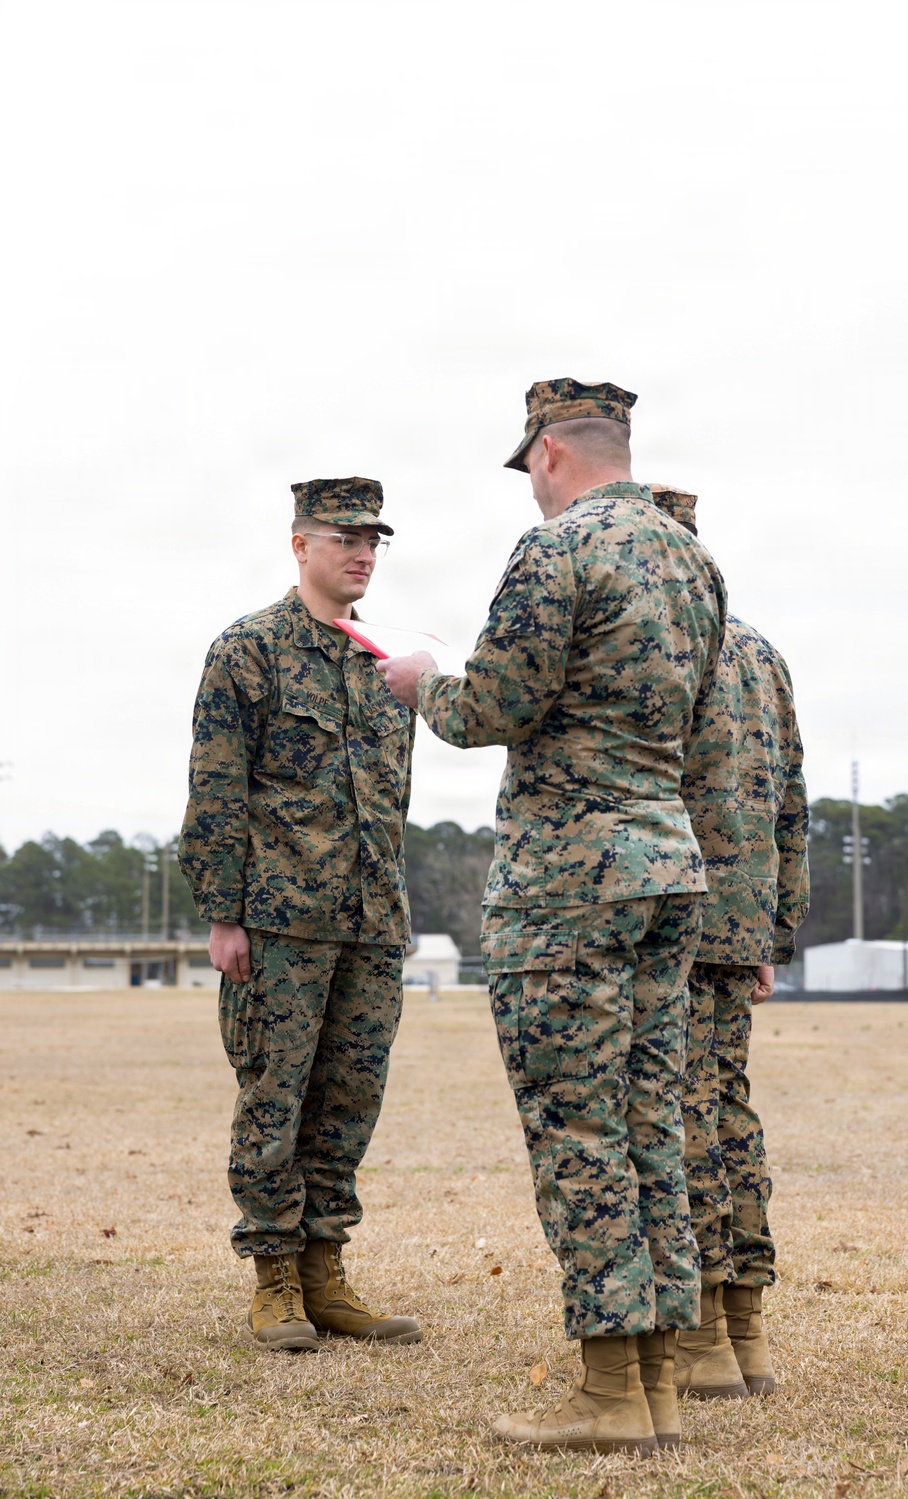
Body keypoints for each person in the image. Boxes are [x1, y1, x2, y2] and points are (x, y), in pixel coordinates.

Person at [379, 381, 726, 1452]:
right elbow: (702, 717)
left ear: (544, 455)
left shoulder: (559, 550)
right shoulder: (692, 558)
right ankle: (657, 1376)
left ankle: (612, 1390)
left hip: (571, 877)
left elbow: (493, 707)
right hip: (667, 865)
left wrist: (423, 678)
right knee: (647, 1122)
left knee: (578, 1128)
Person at [178, 477, 422, 1352]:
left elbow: (394, 802)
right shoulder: (249, 650)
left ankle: (325, 1271)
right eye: (342, 537)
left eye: (372, 540)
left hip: (370, 921)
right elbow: (216, 788)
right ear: (299, 545)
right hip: (279, 920)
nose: (360, 553)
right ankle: (274, 1276)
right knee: (274, 1097)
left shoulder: (384, 665)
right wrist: (223, 912)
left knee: (349, 1101)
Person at [650, 484, 809, 1400]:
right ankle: (745, 1326)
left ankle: (708, 1329)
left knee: (682, 1118)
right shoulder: (762, 651)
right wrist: (775, 930)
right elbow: (793, 798)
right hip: (740, 914)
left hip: (672, 906)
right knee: (730, 1112)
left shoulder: (674, 641)